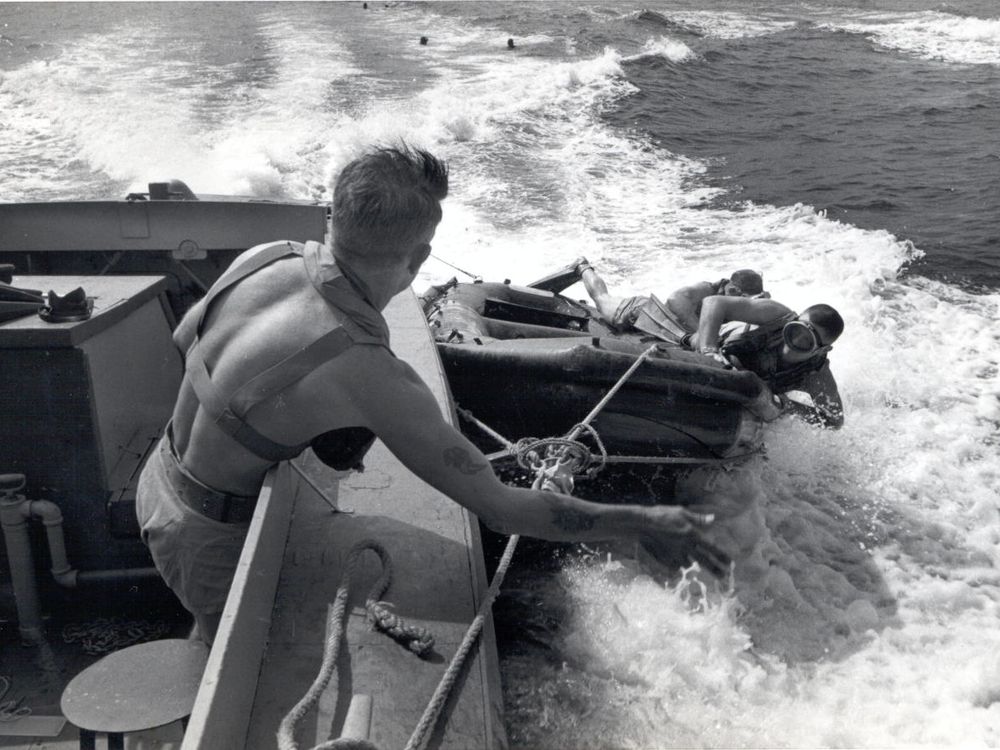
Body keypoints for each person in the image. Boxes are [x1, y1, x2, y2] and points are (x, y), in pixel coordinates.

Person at [136, 145, 730, 644]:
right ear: (420, 256)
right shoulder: (366, 372)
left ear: (333, 217)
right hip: (207, 537)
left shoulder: (262, 258)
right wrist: (645, 520)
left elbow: (187, 342)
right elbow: (502, 507)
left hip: (156, 477)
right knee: (224, 657)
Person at [690, 294, 845, 429]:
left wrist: (790, 407)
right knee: (697, 341)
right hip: (720, 346)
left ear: (822, 350)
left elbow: (834, 421)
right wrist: (709, 349)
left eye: (806, 341)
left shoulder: (816, 375)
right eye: (796, 330)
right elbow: (713, 302)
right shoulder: (777, 316)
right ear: (793, 321)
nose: (794, 341)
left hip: (743, 391)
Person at [572, 257, 765, 337]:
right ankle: (583, 267)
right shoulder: (708, 289)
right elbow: (675, 300)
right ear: (730, 287)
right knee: (602, 298)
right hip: (639, 312)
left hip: (665, 332)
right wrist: (700, 334)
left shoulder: (746, 307)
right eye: (736, 293)